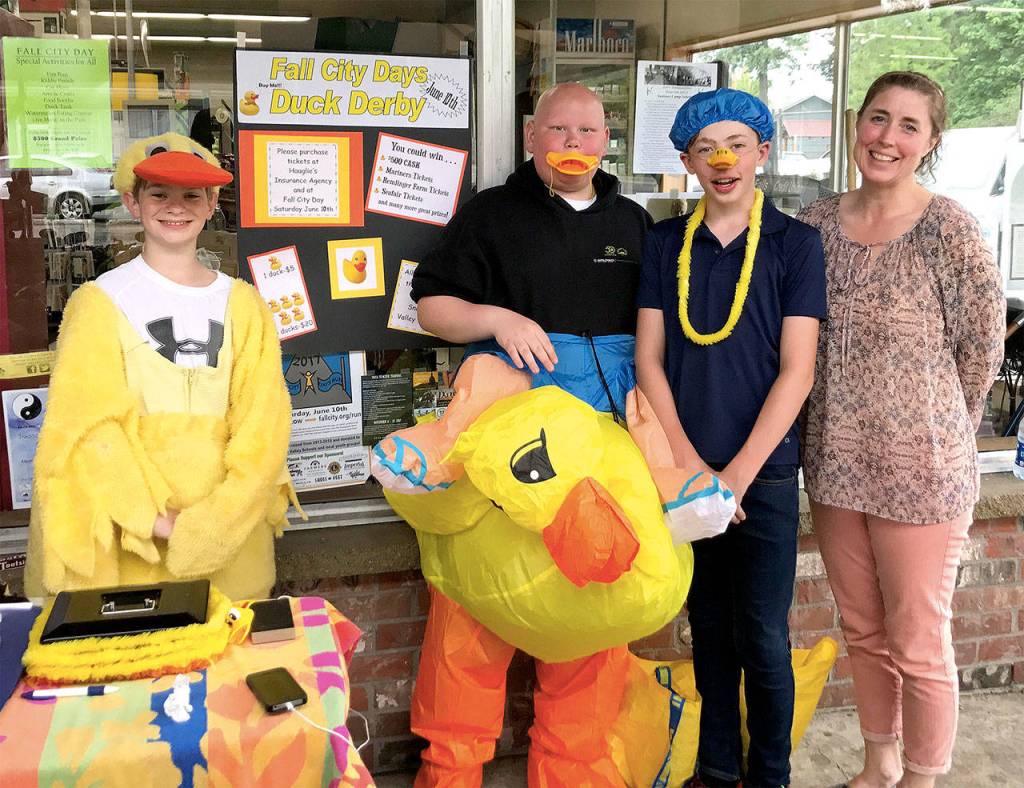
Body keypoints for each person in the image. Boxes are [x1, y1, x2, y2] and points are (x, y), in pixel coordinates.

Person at [407, 81, 652, 786]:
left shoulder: (634, 224)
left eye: (587, 132)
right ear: (530, 136)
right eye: (558, 131)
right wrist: (497, 320)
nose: (572, 145)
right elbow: (431, 306)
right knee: (473, 612)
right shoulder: (491, 214)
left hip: (602, 450)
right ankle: (449, 770)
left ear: (606, 142)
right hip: (505, 445)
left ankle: (573, 772)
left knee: (589, 609)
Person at [797, 72, 1004, 788]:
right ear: (858, 124)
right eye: (878, 119)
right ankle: (879, 763)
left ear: (931, 142)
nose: (887, 137)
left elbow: (983, 349)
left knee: (918, 642)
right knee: (863, 630)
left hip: (924, 468)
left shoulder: (949, 228)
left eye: (908, 126)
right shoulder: (814, 225)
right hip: (833, 465)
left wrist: (943, 427)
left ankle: (922, 776)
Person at [635, 88, 826, 788]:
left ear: (763, 153)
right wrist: (689, 467)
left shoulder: (795, 245)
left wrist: (736, 477)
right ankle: (717, 770)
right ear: (686, 160)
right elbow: (649, 360)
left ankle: (768, 776)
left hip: (764, 475)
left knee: (766, 640)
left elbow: (797, 371)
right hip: (689, 470)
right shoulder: (663, 243)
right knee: (709, 632)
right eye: (706, 149)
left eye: (737, 145)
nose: (722, 160)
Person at [25, 132, 297, 601]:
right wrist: (151, 518)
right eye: (159, 193)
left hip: (230, 551)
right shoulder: (98, 302)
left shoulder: (244, 304)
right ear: (133, 201)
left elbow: (264, 425)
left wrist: (220, 521)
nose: (177, 207)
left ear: (212, 203)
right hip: (130, 553)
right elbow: (88, 426)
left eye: (192, 194)